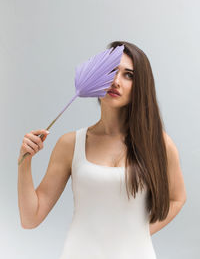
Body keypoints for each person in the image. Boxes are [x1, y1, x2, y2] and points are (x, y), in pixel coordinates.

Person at [18, 41, 187, 259]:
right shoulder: (70, 144)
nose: (116, 81)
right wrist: (24, 162)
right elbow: (30, 219)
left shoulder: (159, 144)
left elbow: (177, 198)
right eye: (110, 71)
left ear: (140, 86)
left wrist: (139, 234)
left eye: (129, 75)